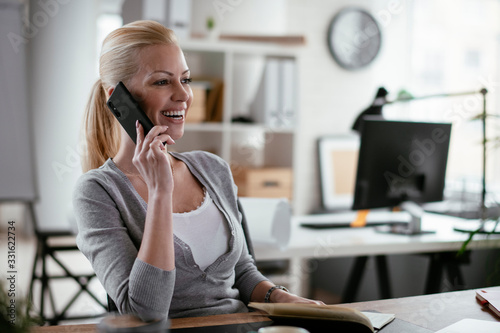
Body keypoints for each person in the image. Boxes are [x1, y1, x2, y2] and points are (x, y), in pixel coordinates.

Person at [73, 20, 322, 322]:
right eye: (162, 82)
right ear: (119, 100)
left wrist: (283, 297)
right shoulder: (97, 192)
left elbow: (241, 270)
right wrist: (160, 193)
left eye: (186, 80)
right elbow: (145, 312)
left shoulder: (211, 168)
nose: (184, 95)